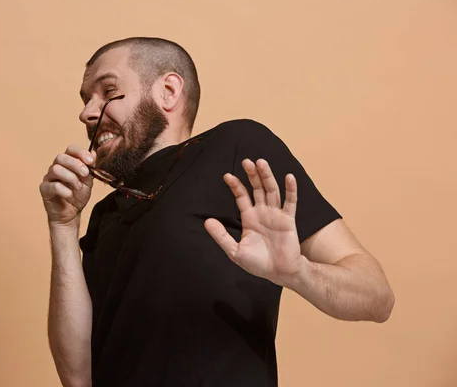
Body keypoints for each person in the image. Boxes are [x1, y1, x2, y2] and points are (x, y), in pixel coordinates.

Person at [39, 37, 395, 387]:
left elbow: (377, 296)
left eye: (107, 91)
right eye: (87, 99)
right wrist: (63, 224)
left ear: (168, 91)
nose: (87, 112)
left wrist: (298, 273)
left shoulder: (235, 147)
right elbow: (78, 376)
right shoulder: (106, 213)